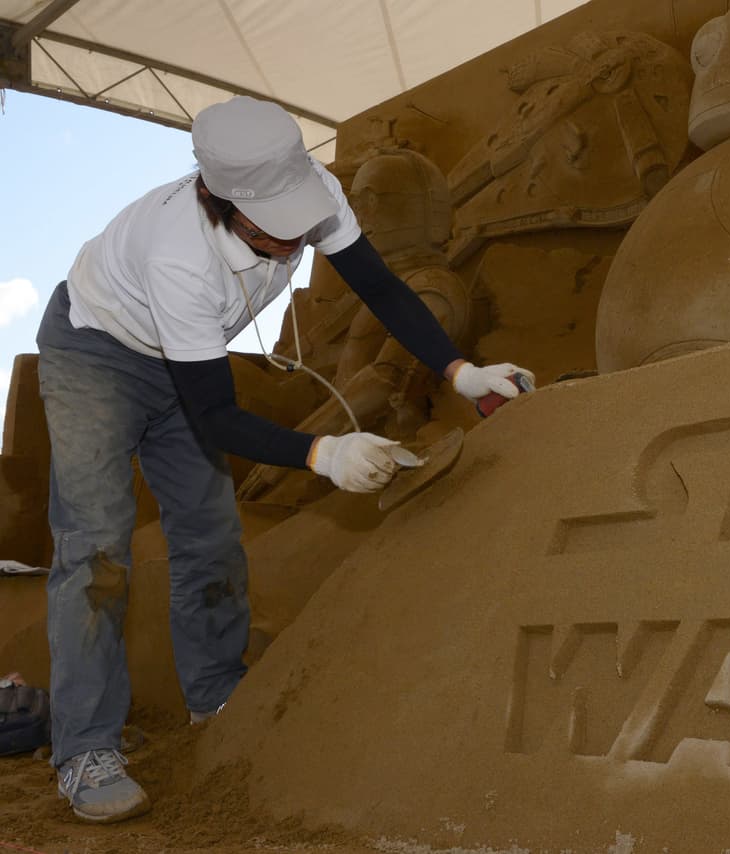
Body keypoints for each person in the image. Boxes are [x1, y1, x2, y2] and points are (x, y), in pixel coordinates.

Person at [35, 95, 534, 823]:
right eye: (272, 232)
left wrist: (462, 373)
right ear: (216, 197)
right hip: (97, 353)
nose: (294, 244)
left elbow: (382, 288)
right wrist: (325, 453)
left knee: (208, 531)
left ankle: (215, 693)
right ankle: (85, 748)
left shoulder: (312, 193)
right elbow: (214, 414)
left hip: (185, 356)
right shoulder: (177, 252)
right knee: (97, 546)